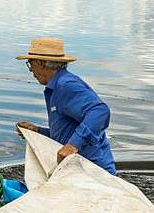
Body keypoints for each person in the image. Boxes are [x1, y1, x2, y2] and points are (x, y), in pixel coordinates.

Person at [14, 37, 117, 174]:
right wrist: (37, 131)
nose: (31, 70)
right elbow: (65, 134)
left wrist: (73, 145)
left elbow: (100, 111)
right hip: (76, 169)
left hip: (94, 171)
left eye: (30, 63)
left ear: (41, 63)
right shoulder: (55, 87)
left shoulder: (66, 85)